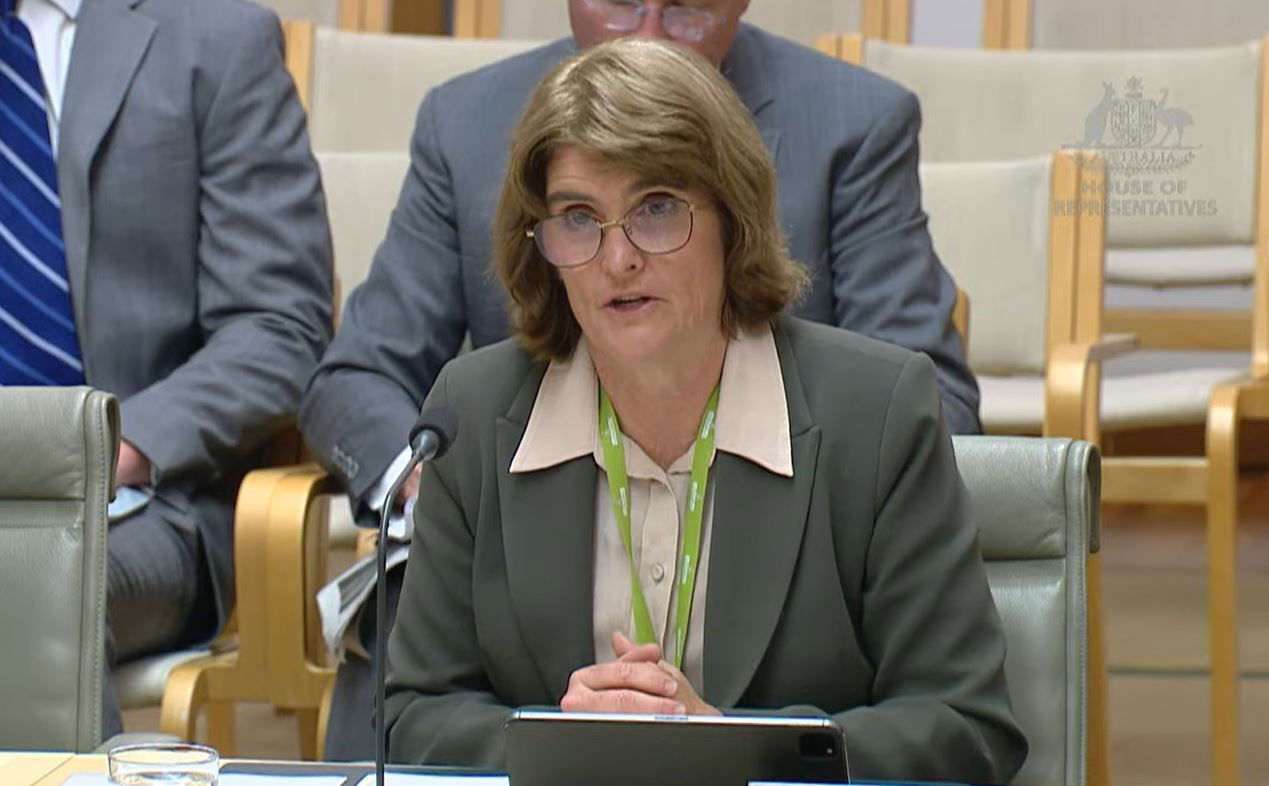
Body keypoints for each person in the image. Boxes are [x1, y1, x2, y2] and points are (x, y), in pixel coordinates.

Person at [304, 0, 980, 756]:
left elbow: (963, 724)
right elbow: (414, 716)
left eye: (657, 210)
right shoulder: (470, 413)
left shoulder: (878, 413)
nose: (617, 258)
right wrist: (562, 745)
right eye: (577, 218)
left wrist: (733, 749)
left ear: (733, 220)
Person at [0, 0, 332, 735]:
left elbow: (279, 328)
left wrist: (102, 449)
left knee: (14, 586)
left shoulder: (215, 36)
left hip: (142, 501)